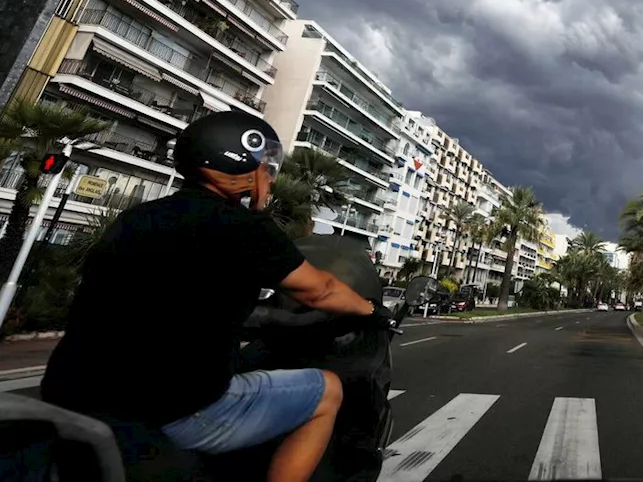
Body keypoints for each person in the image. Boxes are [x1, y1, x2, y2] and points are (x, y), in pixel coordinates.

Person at [41, 111, 395, 482]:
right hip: (175, 408)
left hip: (72, 391)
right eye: (265, 164)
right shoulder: (243, 228)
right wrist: (371, 310)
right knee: (328, 391)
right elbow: (320, 289)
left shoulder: (138, 217)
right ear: (242, 162)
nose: (268, 173)